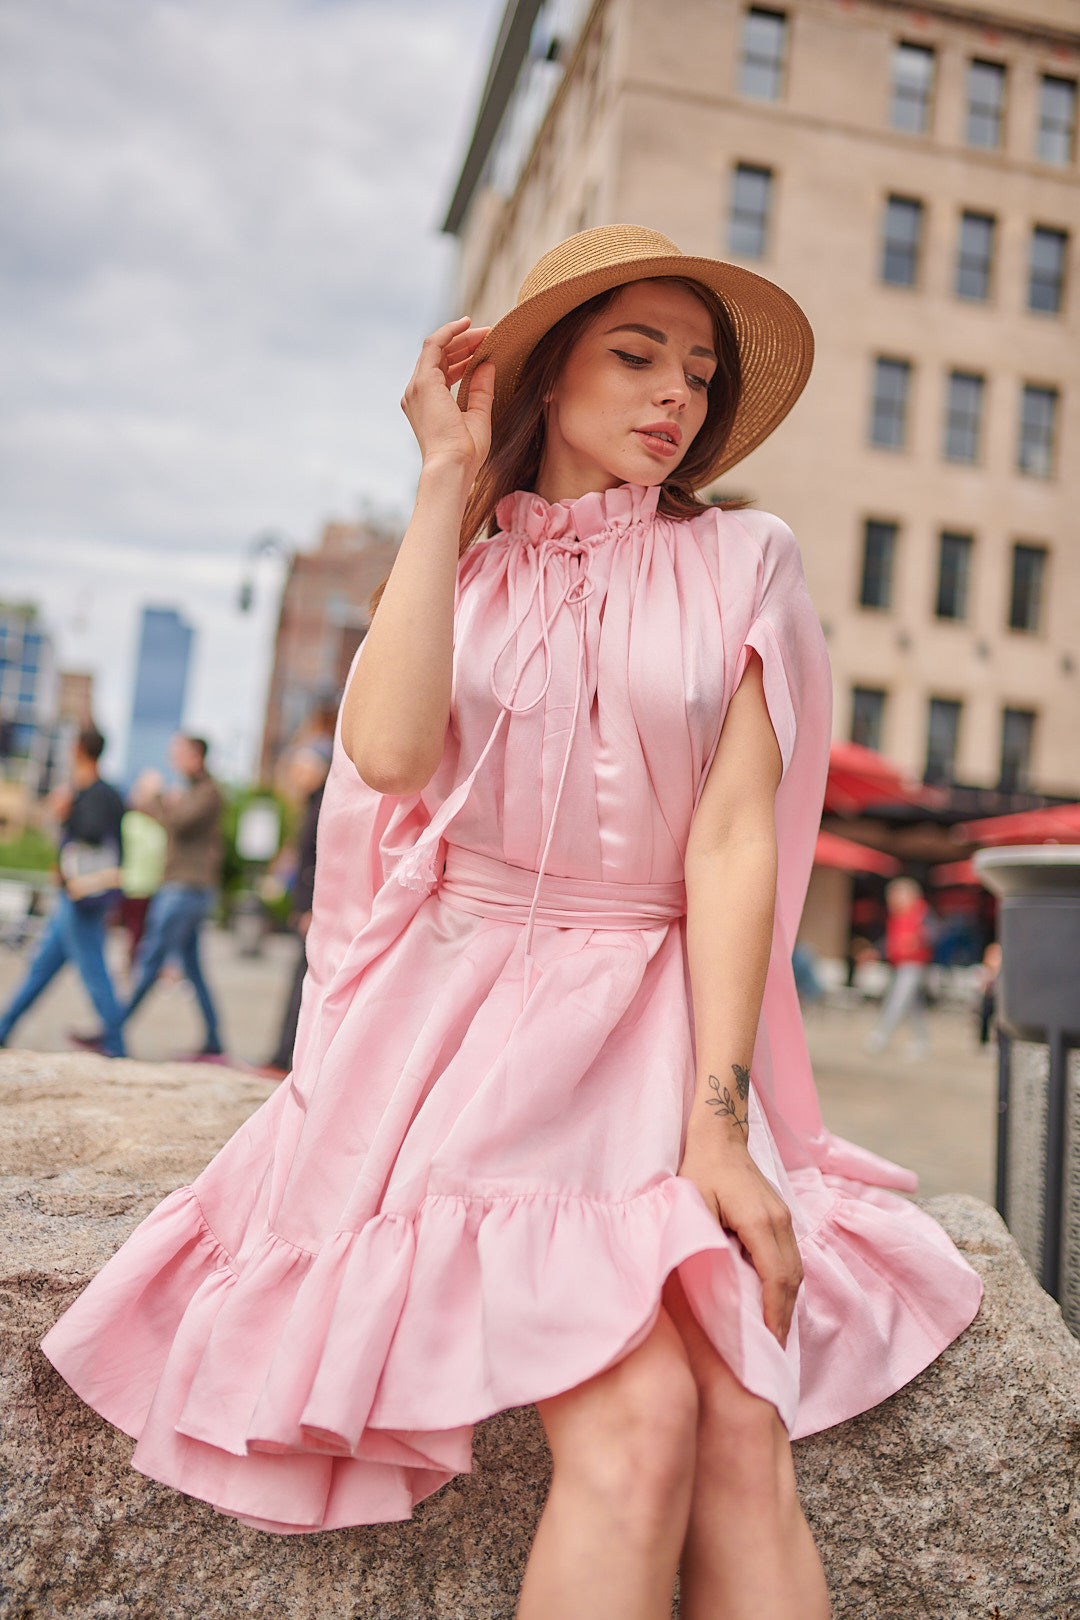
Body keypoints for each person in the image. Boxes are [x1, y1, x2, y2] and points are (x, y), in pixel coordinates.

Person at [42, 227, 982, 1614]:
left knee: (733, 1415)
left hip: (659, 1019)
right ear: (546, 377)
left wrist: (721, 1122)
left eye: (700, 371)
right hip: (459, 1032)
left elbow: (730, 847)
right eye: (636, 354)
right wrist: (443, 480)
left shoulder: (744, 560)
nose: (676, 395)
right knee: (653, 1415)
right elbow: (391, 749)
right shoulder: (463, 576)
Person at [75, 735, 226, 1059]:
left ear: (196, 756)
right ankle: (214, 1043)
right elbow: (168, 820)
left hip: (186, 888)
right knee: (194, 971)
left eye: (179, 753)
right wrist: (159, 801)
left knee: (150, 960)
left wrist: (157, 795)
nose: (173, 759)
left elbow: (179, 824)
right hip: (182, 888)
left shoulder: (208, 792)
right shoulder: (191, 791)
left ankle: (111, 1031)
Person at [0, 726, 126, 1058]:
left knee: (95, 973)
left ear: (79, 749)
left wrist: (65, 811)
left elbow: (91, 834)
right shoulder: (104, 792)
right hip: (75, 896)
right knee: (41, 968)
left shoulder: (94, 793)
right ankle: (4, 1027)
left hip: (82, 898)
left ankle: (116, 1045)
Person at [258, 741, 331, 1079]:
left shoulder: (327, 806)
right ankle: (285, 1055)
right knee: (300, 984)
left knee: (304, 986)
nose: (296, 777)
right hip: (310, 909)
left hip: (319, 912)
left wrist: (313, 908)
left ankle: (286, 1057)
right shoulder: (312, 805)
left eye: (301, 770)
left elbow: (325, 864)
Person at [864, 877, 934, 1058]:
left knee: (897, 1000)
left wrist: (920, 938)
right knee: (912, 1005)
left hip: (914, 965)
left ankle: (880, 1037)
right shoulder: (898, 916)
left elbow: (936, 932)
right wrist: (876, 951)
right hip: (899, 964)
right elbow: (891, 940)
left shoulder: (921, 912)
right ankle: (921, 1041)